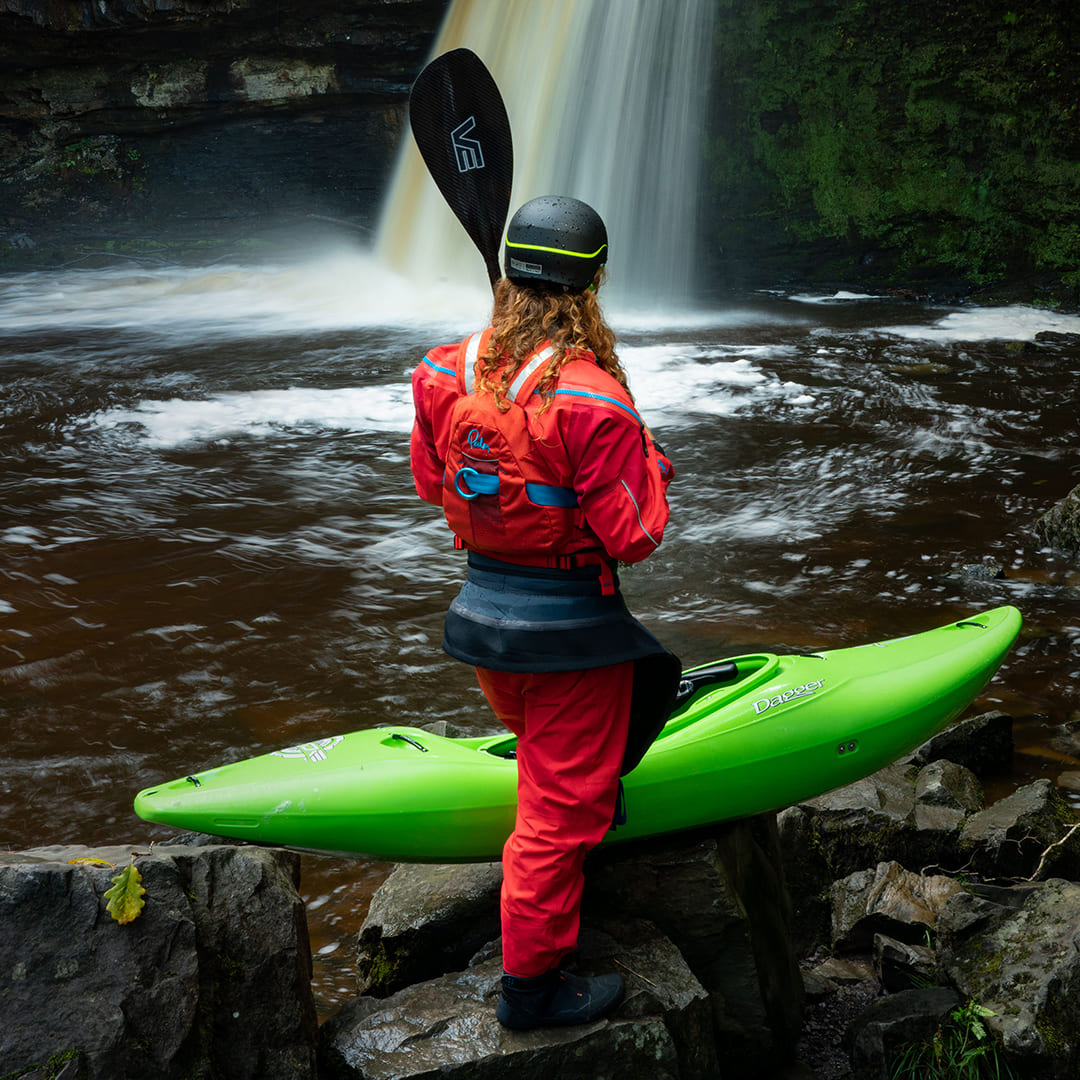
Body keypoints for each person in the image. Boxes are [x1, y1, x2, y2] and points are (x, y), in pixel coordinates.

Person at [409, 194, 680, 1030]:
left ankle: (588, 790)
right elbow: (634, 535)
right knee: (552, 830)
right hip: (570, 641)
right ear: (590, 287)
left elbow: (431, 487)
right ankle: (531, 991)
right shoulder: (594, 399)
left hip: (486, 627)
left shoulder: (443, 371)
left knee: (570, 752)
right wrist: (656, 464)